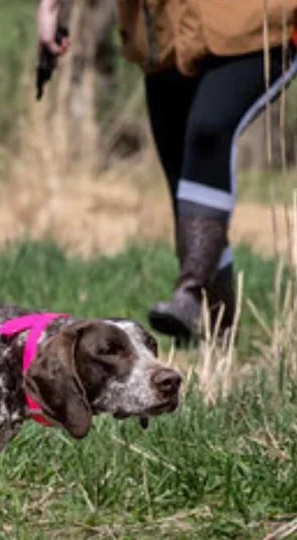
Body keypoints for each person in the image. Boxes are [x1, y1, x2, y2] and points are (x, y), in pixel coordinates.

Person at [37, 0, 297, 343]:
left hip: (258, 27)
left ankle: (190, 291)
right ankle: (216, 327)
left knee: (208, 133)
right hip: (162, 34)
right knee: (184, 181)